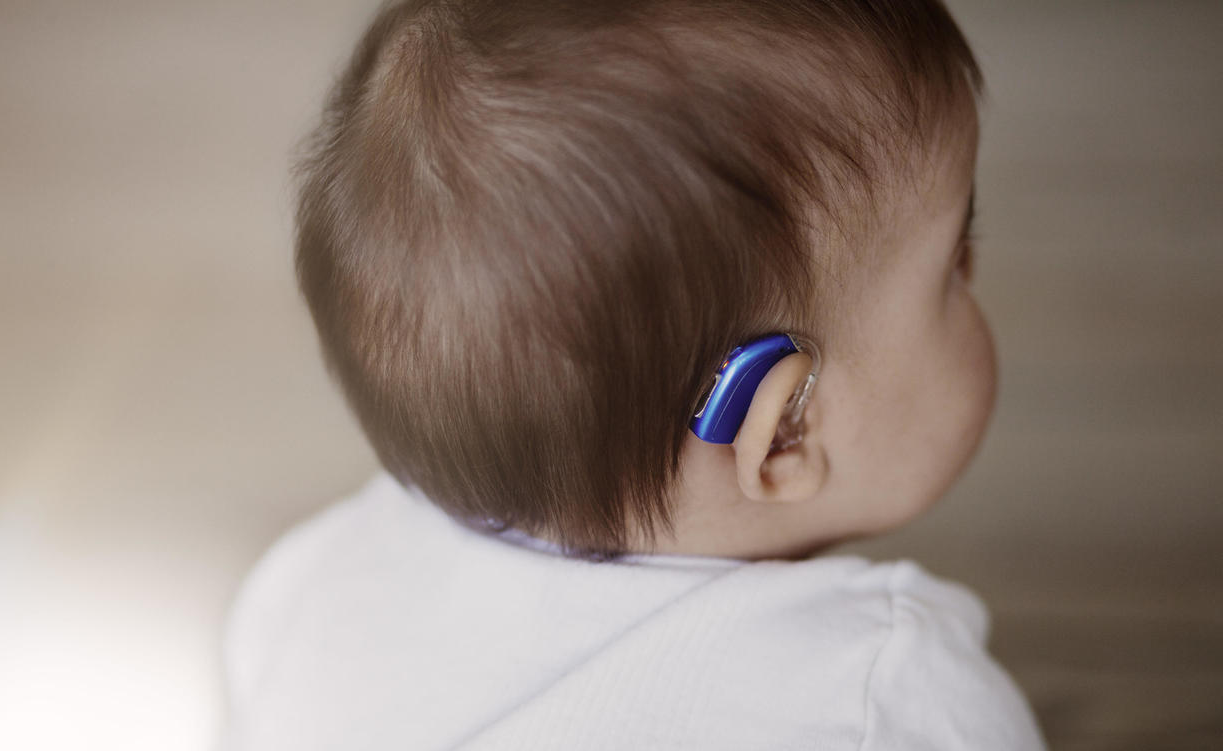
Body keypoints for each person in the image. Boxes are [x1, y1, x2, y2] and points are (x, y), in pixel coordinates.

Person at [222, 0, 1048, 747]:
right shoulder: (881, 698)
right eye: (952, 258)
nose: (975, 269)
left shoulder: (303, 586)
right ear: (784, 430)